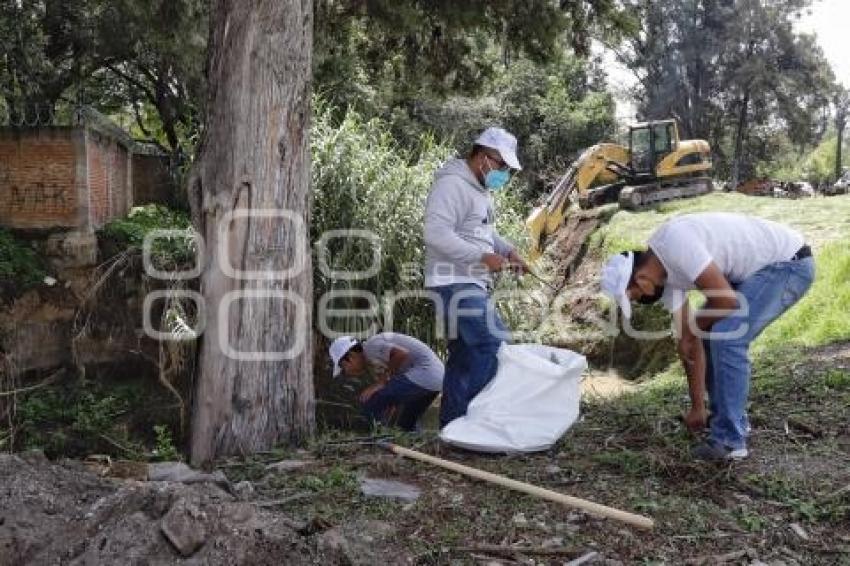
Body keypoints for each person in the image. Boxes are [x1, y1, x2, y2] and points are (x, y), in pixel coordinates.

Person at [600, 212, 814, 461]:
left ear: (641, 278)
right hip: (757, 272)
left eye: (635, 296)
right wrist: (697, 408)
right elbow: (690, 346)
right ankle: (729, 422)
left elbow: (726, 300)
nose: (640, 301)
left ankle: (730, 441)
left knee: (727, 336)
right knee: (710, 332)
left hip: (788, 264)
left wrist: (691, 330)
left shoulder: (675, 244)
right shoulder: (665, 279)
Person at [423, 126, 529, 428]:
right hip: (454, 282)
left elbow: (483, 232)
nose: (504, 173)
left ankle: (453, 427)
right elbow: (435, 234)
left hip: (468, 281)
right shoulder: (452, 185)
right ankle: (475, 423)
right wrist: (481, 257)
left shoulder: (478, 188)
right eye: (501, 165)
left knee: (464, 356)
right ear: (483, 157)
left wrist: (508, 251)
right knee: (493, 342)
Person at [329, 333, 444, 431]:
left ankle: (378, 438)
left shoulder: (371, 347)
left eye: (344, 367)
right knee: (406, 424)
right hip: (437, 379)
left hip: (426, 372)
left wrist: (381, 383)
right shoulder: (372, 356)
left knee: (371, 399)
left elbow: (401, 353)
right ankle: (414, 444)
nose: (347, 372)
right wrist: (391, 397)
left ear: (351, 356)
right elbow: (399, 371)